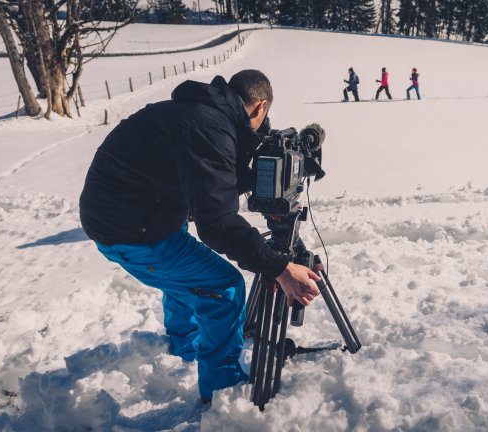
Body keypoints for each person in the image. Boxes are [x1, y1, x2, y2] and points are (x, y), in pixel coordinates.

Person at [79, 70, 321, 404]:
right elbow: (216, 222)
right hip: (130, 231)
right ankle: (222, 390)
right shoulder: (208, 127)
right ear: (260, 106)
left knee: (189, 275)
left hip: (137, 216)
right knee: (223, 287)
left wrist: (255, 143)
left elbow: (214, 180)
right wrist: (279, 267)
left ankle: (187, 344)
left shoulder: (201, 114)